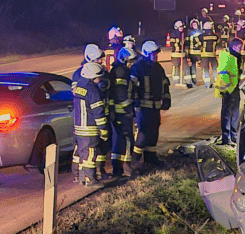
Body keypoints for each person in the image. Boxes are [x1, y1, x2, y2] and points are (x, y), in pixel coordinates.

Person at [130, 40, 171, 169]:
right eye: (153, 54)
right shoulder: (138, 67)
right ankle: (134, 160)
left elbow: (165, 84)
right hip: (142, 107)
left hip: (155, 106)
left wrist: (167, 100)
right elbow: (132, 87)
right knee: (143, 133)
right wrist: (135, 103)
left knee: (154, 132)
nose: (156, 56)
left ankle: (150, 158)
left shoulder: (158, 67)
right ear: (147, 53)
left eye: (156, 54)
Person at [72, 61, 107, 185]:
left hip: (79, 128)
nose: (99, 80)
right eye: (98, 77)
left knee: (80, 153)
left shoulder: (79, 87)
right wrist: (103, 130)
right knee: (89, 155)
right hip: (90, 128)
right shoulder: (92, 90)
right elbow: (98, 112)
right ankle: (89, 180)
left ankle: (79, 176)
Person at [108, 45, 137, 177]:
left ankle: (117, 168)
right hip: (123, 112)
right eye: (130, 61)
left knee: (118, 140)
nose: (132, 63)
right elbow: (120, 93)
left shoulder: (119, 70)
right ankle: (126, 165)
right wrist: (128, 109)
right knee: (127, 139)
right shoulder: (122, 72)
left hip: (117, 112)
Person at [213, 37, 243, 146]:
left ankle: (234, 136)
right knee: (227, 114)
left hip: (234, 88)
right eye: (239, 47)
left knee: (235, 113)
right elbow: (223, 72)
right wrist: (229, 87)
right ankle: (226, 138)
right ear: (234, 47)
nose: (241, 49)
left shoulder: (236, 56)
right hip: (228, 89)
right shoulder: (227, 56)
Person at [199, 20, 218, 88]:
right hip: (213, 55)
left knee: (205, 69)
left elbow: (199, 44)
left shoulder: (201, 36)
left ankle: (207, 83)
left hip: (204, 55)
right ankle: (216, 82)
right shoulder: (215, 36)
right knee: (214, 69)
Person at [185, 18, 202, 87]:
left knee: (203, 66)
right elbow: (187, 42)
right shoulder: (189, 33)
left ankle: (205, 79)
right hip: (192, 53)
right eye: (193, 24)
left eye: (196, 24)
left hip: (199, 52)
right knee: (193, 66)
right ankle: (194, 79)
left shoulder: (200, 33)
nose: (195, 25)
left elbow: (203, 41)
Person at [168, 20, 186, 86]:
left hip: (182, 54)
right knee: (176, 68)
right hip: (176, 55)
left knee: (184, 67)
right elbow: (173, 43)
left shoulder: (183, 34)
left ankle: (186, 81)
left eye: (182, 27)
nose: (182, 28)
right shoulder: (173, 34)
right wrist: (179, 42)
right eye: (180, 27)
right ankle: (176, 81)